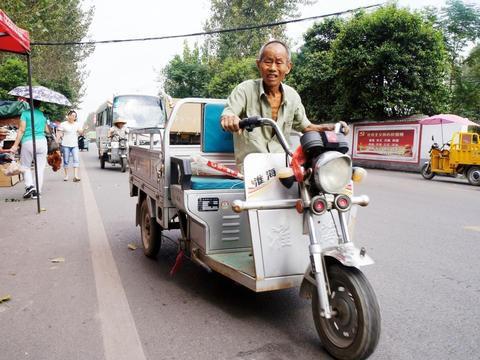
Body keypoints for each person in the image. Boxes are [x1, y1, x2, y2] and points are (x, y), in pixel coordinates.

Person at [220, 39, 349, 171]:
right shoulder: (244, 90)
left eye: (279, 62)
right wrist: (230, 118)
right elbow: (229, 113)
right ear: (258, 64)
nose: (272, 68)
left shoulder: (293, 96)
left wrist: (330, 128)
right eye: (268, 62)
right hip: (251, 168)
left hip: (282, 166)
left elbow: (306, 127)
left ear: (288, 67)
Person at [9, 100, 50, 199]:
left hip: (28, 142)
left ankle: (30, 186)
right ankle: (37, 192)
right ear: (39, 104)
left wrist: (15, 145)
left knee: (25, 166)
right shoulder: (42, 115)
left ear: (28, 103)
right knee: (40, 168)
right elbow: (47, 130)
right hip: (42, 142)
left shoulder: (25, 113)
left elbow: (22, 130)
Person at [57, 110, 83, 182]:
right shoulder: (63, 124)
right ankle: (66, 175)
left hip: (74, 145)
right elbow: (59, 132)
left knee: (76, 159)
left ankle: (75, 176)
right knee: (66, 160)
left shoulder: (77, 124)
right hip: (65, 145)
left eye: (74, 116)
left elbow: (80, 132)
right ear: (68, 116)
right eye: (72, 115)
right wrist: (57, 140)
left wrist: (82, 131)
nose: (73, 117)